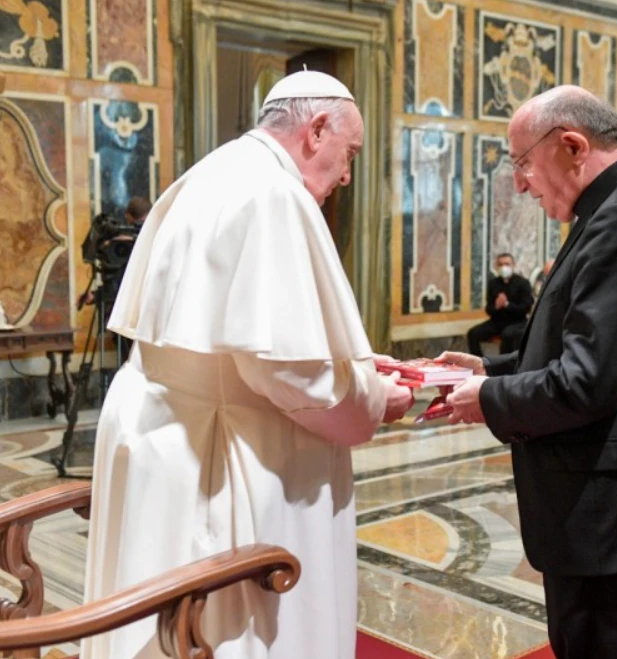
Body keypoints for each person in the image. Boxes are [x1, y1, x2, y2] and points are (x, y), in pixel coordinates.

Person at [81, 72, 415, 659]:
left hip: (163, 428)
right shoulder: (274, 194)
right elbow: (296, 376)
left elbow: (255, 341)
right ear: (316, 131)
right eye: (349, 153)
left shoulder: (213, 171)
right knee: (229, 624)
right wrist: (372, 398)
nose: (345, 175)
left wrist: (351, 361)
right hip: (220, 451)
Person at [438, 86, 617, 659]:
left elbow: (587, 381)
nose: (520, 183)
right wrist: (491, 368)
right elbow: (611, 350)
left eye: (522, 162)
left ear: (571, 145)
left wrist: (491, 398)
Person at [467, 253, 535, 356]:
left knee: (507, 335)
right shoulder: (493, 283)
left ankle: (503, 366)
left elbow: (526, 308)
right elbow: (489, 310)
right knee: (472, 333)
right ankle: (481, 363)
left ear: (513, 265)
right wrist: (496, 306)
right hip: (497, 321)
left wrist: (507, 304)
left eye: (507, 264)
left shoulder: (523, 283)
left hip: (517, 322)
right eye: (501, 264)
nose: (504, 267)